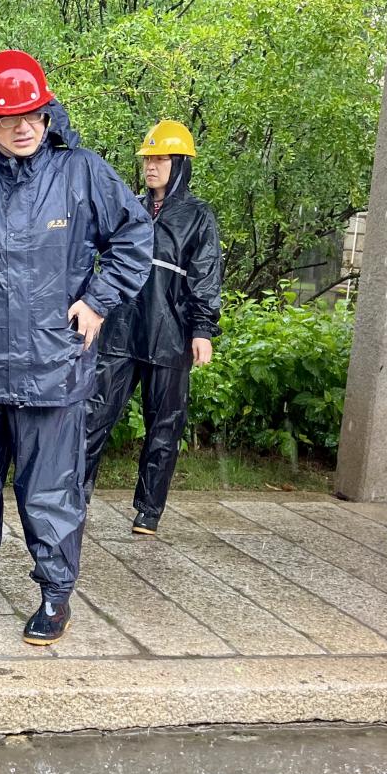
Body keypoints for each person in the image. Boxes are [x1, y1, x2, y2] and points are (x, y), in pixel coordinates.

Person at [0, 50, 153, 645]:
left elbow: (133, 235)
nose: (23, 127)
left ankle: (54, 593)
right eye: (7, 118)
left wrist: (99, 298)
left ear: (48, 115)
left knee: (49, 487)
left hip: (54, 363)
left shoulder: (83, 174)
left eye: (33, 115)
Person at [82, 119, 222, 535]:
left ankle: (149, 509)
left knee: (165, 423)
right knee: (93, 414)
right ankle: (74, 496)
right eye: (148, 158)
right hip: (121, 329)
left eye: (160, 158)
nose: (152, 165)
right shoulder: (130, 207)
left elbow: (206, 274)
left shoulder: (198, 216)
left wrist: (203, 329)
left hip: (170, 333)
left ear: (179, 163)